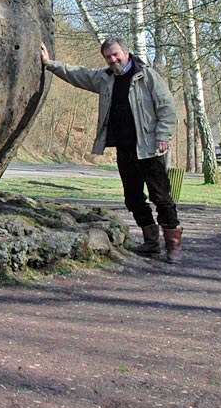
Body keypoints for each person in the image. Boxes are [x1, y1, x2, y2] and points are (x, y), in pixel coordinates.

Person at [40, 38, 182, 263]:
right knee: (133, 198)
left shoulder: (147, 76)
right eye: (108, 57)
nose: (113, 59)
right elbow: (79, 74)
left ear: (126, 53)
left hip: (150, 148)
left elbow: (166, 107)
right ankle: (151, 241)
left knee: (161, 197)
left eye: (116, 54)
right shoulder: (105, 79)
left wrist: (163, 135)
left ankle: (173, 245)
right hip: (124, 148)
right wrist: (50, 64)